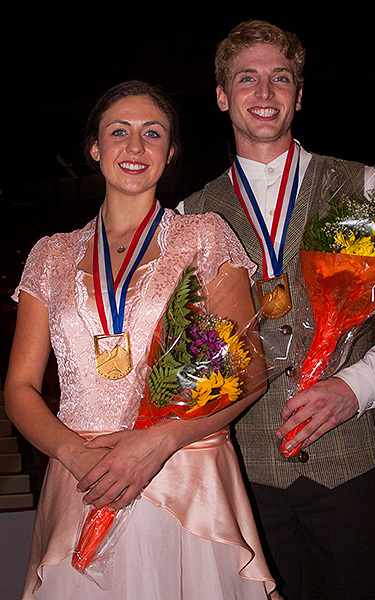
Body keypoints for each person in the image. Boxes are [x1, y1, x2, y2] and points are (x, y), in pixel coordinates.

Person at [181, 20, 375, 600]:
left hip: (352, 467)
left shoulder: (362, 185)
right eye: (248, 79)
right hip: (243, 477)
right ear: (223, 97)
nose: (264, 93)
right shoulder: (191, 215)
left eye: (281, 79)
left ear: (300, 94)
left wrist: (356, 387)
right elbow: (185, 348)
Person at [4, 79, 276, 599]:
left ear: (170, 153)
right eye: (119, 132)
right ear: (95, 149)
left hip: (183, 474)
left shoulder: (205, 235)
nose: (135, 147)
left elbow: (250, 374)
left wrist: (162, 440)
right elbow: (19, 387)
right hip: (81, 477)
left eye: (152, 134)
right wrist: (72, 453)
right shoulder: (51, 254)